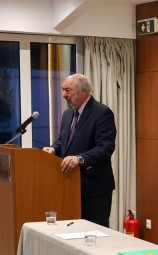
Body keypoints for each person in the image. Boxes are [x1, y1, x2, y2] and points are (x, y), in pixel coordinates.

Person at [43, 74, 116, 227]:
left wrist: (80, 159)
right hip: (69, 186)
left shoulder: (102, 112)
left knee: (94, 234)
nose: (64, 95)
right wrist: (54, 149)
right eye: (63, 90)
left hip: (94, 190)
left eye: (68, 90)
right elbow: (63, 141)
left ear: (83, 92)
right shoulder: (67, 114)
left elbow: (105, 147)